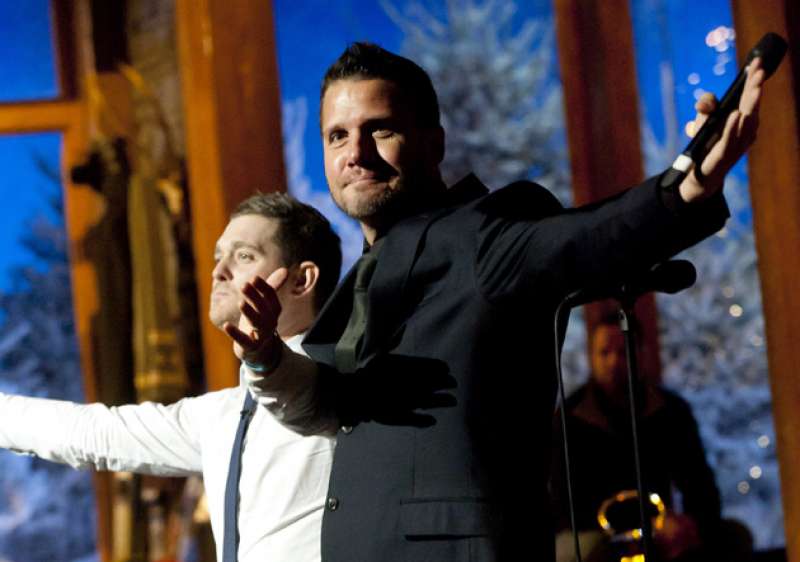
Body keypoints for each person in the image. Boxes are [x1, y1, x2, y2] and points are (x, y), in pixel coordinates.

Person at [241, 42, 765, 561]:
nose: (355, 153)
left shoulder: (481, 236)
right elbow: (328, 406)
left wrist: (687, 187)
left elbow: (587, 237)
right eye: (337, 136)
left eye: (380, 130)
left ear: (434, 142)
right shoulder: (364, 279)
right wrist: (265, 355)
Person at [0, 193, 342, 562]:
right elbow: (95, 434)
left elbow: (296, 395)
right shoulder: (221, 416)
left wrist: (264, 361)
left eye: (244, 256)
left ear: (301, 280)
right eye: (218, 256)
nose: (218, 271)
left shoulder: (348, 381)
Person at [550, 312, 728, 562]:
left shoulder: (670, 411)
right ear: (591, 356)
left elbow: (699, 483)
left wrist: (689, 523)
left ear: (641, 354)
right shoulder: (569, 419)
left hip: (659, 530)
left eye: (623, 352)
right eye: (604, 353)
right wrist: (620, 534)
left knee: (729, 537)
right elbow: (561, 502)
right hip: (595, 534)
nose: (614, 362)